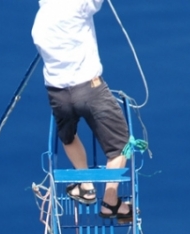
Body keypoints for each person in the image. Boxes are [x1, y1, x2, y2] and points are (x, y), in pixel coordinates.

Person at [31, 0, 131, 221]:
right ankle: (111, 202)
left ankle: (86, 184)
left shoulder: (40, 22)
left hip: (57, 93)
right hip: (89, 88)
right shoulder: (76, 5)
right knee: (121, 144)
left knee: (68, 136)